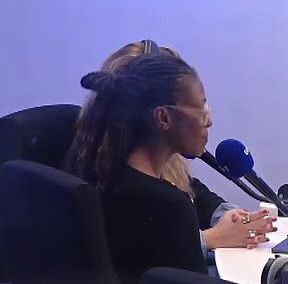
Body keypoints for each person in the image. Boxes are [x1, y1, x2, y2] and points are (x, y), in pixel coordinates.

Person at [66, 52, 236, 284]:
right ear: (164, 118)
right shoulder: (168, 207)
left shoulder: (104, 174)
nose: (208, 120)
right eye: (201, 107)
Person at [98, 41, 274, 255]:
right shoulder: (116, 177)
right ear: (161, 116)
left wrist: (230, 217)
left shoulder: (163, 163)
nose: (208, 119)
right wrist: (210, 238)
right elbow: (141, 251)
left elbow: (195, 193)